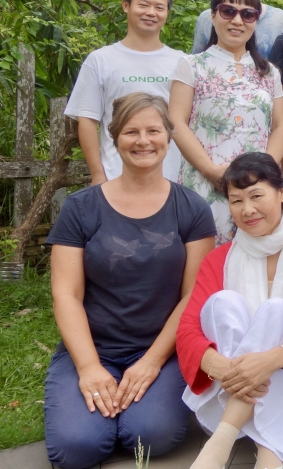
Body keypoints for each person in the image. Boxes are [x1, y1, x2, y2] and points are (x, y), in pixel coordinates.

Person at [44, 94, 215, 469]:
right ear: (115, 138)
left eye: (153, 131)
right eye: (131, 132)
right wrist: (89, 367)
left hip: (162, 351)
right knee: (77, 449)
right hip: (93, 348)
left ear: (168, 138)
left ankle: (129, 412)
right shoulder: (80, 208)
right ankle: (94, 412)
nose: (143, 141)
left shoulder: (192, 209)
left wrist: (152, 362)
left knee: (150, 435)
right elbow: (66, 295)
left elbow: (193, 296)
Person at [178, 153, 283, 469]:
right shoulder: (218, 259)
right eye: (236, 201)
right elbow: (187, 330)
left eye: (256, 196)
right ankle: (246, 446)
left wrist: (268, 360)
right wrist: (223, 368)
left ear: (282, 193)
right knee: (223, 304)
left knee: (277, 311)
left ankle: (234, 447)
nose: (247, 209)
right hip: (224, 390)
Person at [170, 0, 283, 245]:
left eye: (248, 14)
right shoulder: (191, 65)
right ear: (213, 16)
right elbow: (176, 122)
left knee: (256, 260)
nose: (237, 20)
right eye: (228, 11)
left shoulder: (268, 72)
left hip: (256, 187)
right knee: (204, 263)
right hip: (204, 183)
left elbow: (280, 127)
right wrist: (212, 171)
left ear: (256, 20)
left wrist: (262, 173)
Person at [65, 0, 185, 185]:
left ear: (167, 13)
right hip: (116, 178)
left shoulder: (183, 62)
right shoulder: (100, 60)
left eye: (159, 7)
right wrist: (98, 175)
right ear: (126, 6)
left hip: (174, 180)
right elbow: (87, 119)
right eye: (144, 5)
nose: (151, 13)